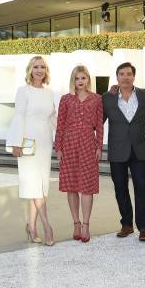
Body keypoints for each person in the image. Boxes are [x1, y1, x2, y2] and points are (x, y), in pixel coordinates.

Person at [6, 55, 56, 246]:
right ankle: (47, 227)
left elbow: (52, 118)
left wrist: (63, 137)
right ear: (30, 70)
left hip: (44, 143)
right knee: (34, 185)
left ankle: (31, 227)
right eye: (36, 67)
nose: (39, 70)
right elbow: (18, 116)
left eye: (42, 67)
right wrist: (15, 143)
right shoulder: (23, 91)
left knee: (40, 186)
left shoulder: (49, 92)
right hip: (27, 142)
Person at [102, 62, 145, 242]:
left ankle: (144, 227)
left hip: (138, 149)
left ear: (134, 76)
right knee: (120, 188)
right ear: (117, 77)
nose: (125, 77)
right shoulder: (107, 98)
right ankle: (126, 224)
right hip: (117, 150)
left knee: (141, 188)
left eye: (129, 74)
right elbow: (97, 121)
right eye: (122, 74)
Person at [55, 65, 103, 244]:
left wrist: (99, 147)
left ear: (88, 79)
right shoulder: (65, 99)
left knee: (87, 186)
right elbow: (60, 125)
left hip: (88, 144)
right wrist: (58, 148)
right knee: (72, 186)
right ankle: (75, 223)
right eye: (77, 78)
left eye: (83, 78)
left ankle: (86, 225)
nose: (80, 81)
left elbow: (99, 124)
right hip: (69, 145)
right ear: (72, 81)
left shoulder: (97, 99)